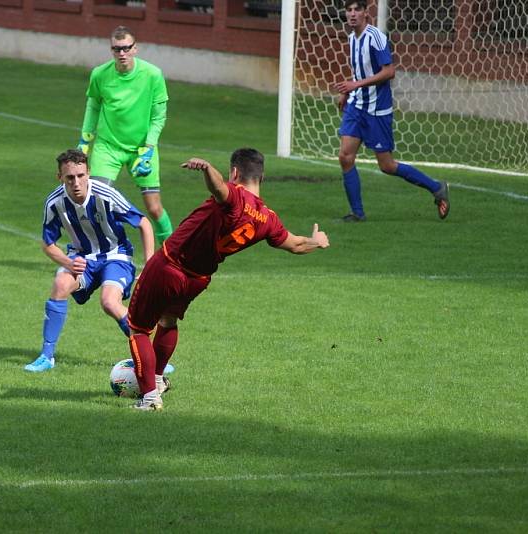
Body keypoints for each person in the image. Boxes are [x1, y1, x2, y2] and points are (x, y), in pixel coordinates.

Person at [126, 148, 330, 410]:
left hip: (170, 265)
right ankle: (157, 380)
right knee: (168, 320)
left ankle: (150, 398)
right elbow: (296, 245)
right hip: (198, 279)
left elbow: (220, 188)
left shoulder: (235, 198)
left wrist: (207, 167)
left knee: (139, 328)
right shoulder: (268, 219)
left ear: (235, 172)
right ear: (261, 177)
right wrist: (317, 241)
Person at [25, 149, 155, 372]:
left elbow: (143, 223)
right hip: (81, 257)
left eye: (81, 175)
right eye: (70, 177)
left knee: (109, 302)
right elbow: (48, 244)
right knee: (60, 284)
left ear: (88, 173)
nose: (76, 182)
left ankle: (150, 358)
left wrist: (150, 264)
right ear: (60, 178)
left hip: (116, 256)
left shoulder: (106, 194)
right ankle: (46, 357)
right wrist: (68, 263)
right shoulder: (54, 203)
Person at [335, 0, 450, 222]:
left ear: (365, 13)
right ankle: (357, 214)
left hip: (377, 110)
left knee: (387, 165)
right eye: (348, 10)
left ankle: (437, 188)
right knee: (345, 157)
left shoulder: (376, 37)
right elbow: (359, 71)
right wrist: (347, 93)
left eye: (356, 9)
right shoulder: (351, 39)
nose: (351, 14)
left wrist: (355, 86)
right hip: (357, 106)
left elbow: (389, 72)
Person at [77, 25, 174, 245]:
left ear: (135, 49)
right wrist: (85, 140)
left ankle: (173, 255)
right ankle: (102, 253)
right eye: (116, 49)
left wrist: (148, 149)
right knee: (96, 202)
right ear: (111, 50)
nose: (121, 53)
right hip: (107, 147)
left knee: (154, 207)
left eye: (126, 48)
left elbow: (158, 117)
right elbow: (93, 106)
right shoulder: (100, 74)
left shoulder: (152, 75)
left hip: (141, 149)